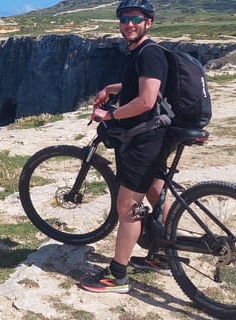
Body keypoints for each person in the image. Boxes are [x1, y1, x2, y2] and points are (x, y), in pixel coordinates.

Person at [79, 0, 174, 294]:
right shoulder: (141, 53)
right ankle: (164, 254)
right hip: (155, 135)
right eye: (124, 19)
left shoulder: (150, 54)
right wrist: (112, 88)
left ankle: (117, 276)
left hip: (146, 139)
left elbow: (146, 100)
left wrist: (110, 114)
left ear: (149, 23)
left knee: (127, 207)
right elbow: (138, 86)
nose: (129, 24)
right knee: (155, 192)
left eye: (136, 18)